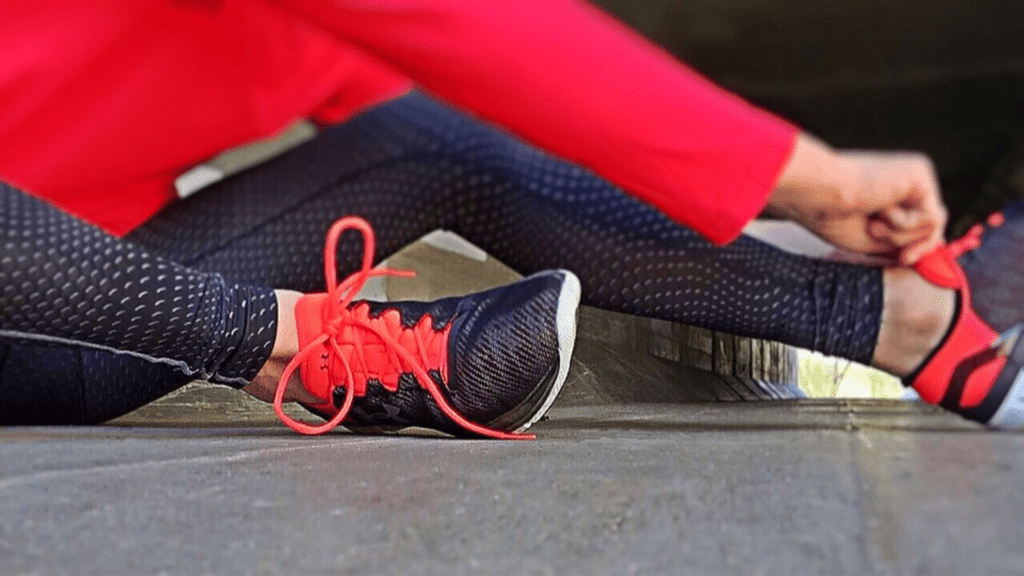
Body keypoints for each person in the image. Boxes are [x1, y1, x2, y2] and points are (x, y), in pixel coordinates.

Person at [1, 0, 1019, 436]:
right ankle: (297, 350)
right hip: (42, 322)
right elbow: (476, 25)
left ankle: (908, 325)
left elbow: (507, 79)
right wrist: (808, 176)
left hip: (84, 299)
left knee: (445, 138)